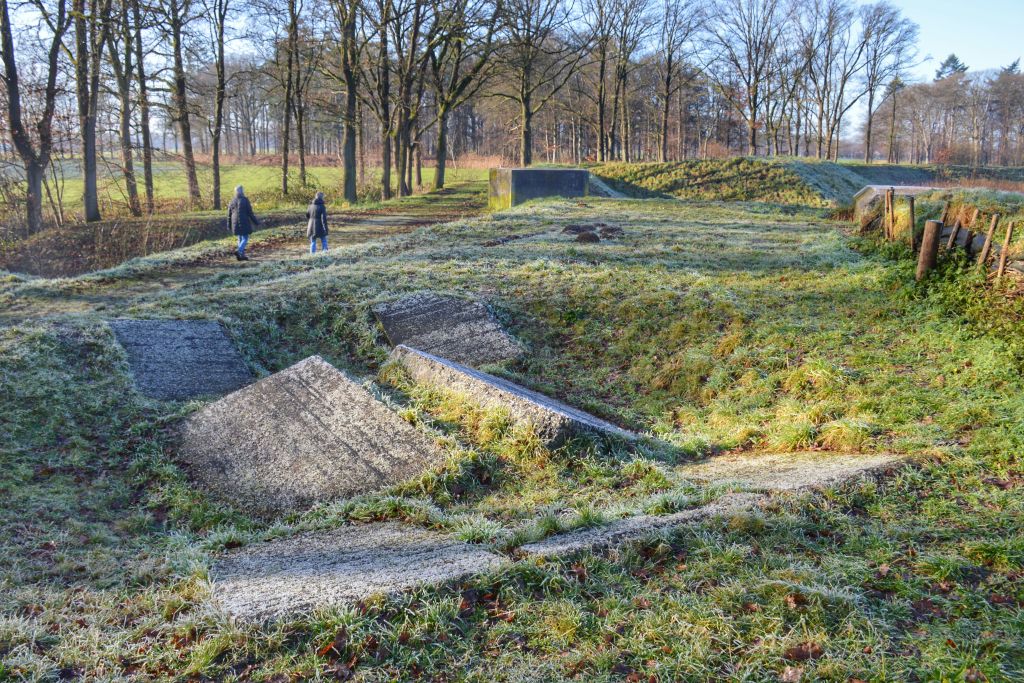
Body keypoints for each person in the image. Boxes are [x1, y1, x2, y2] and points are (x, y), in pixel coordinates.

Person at [227, 185, 259, 261]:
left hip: (234, 222)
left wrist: (229, 225)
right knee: (245, 238)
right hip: (244, 221)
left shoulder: (232, 201)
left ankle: (241, 256)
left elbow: (229, 215)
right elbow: (250, 213)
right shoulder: (245, 200)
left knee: (240, 238)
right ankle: (239, 251)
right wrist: (256, 222)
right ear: (242, 191)